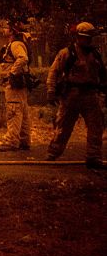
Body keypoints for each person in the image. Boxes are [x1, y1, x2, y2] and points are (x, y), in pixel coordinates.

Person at [45, 22, 106, 170]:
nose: (87, 40)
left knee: (96, 127)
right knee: (63, 126)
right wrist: (51, 91)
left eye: (89, 38)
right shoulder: (67, 53)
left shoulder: (95, 54)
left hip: (90, 95)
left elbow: (102, 75)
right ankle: (53, 153)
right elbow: (54, 72)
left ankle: (93, 157)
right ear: (78, 37)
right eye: (85, 37)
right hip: (71, 96)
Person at [0, 22, 32, 151]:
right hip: (18, 84)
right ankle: (24, 140)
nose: (3, 29)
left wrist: (12, 72)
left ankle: (11, 141)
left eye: (5, 27)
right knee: (22, 110)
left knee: (13, 110)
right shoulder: (15, 44)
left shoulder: (15, 44)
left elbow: (23, 58)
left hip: (13, 84)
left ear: (12, 31)